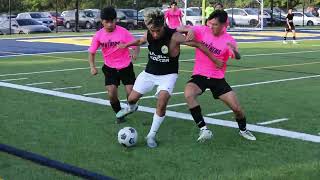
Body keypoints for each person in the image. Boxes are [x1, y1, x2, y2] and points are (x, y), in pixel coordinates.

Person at [116, 9, 223, 148]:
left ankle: (151, 135)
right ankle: (132, 107)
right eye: (152, 30)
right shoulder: (149, 33)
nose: (155, 33)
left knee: (162, 100)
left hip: (168, 75)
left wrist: (214, 59)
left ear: (163, 26)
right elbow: (140, 40)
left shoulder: (174, 36)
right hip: (149, 73)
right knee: (131, 99)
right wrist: (126, 45)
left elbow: (198, 44)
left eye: (158, 30)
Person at [177, 10, 256, 142]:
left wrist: (234, 51)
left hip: (217, 78)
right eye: (210, 23)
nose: (211, 26)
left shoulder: (229, 40)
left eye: (215, 24)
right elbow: (177, 29)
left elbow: (237, 57)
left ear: (223, 25)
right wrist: (187, 30)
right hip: (200, 75)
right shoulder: (202, 29)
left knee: (237, 109)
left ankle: (243, 130)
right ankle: (204, 129)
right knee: (189, 94)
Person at [88, 6, 140, 124]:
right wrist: (92, 67)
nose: (110, 24)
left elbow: (136, 44)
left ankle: (131, 106)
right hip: (110, 67)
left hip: (126, 66)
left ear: (116, 20)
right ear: (102, 21)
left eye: (112, 21)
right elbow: (91, 53)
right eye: (107, 22)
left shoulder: (123, 32)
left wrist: (135, 53)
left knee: (131, 93)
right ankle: (119, 114)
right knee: (111, 93)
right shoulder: (98, 35)